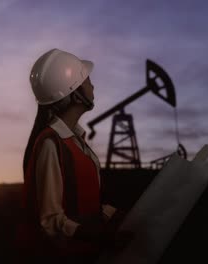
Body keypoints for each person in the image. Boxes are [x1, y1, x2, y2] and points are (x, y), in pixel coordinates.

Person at [15, 48, 130, 263]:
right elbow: (50, 221)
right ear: (74, 92)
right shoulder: (51, 144)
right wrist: (98, 236)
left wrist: (114, 214)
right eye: (86, 80)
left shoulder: (74, 141)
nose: (92, 85)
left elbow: (83, 203)